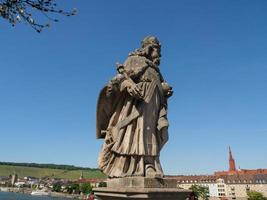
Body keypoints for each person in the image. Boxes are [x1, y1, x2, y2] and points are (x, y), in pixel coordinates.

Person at [96, 36, 173, 178]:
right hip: (136, 106)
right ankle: (126, 167)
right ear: (149, 48)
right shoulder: (134, 61)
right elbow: (119, 80)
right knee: (135, 134)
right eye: (158, 50)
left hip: (154, 107)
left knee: (151, 134)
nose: (160, 54)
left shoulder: (155, 69)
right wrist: (129, 85)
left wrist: (164, 91)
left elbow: (159, 86)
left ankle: (149, 165)